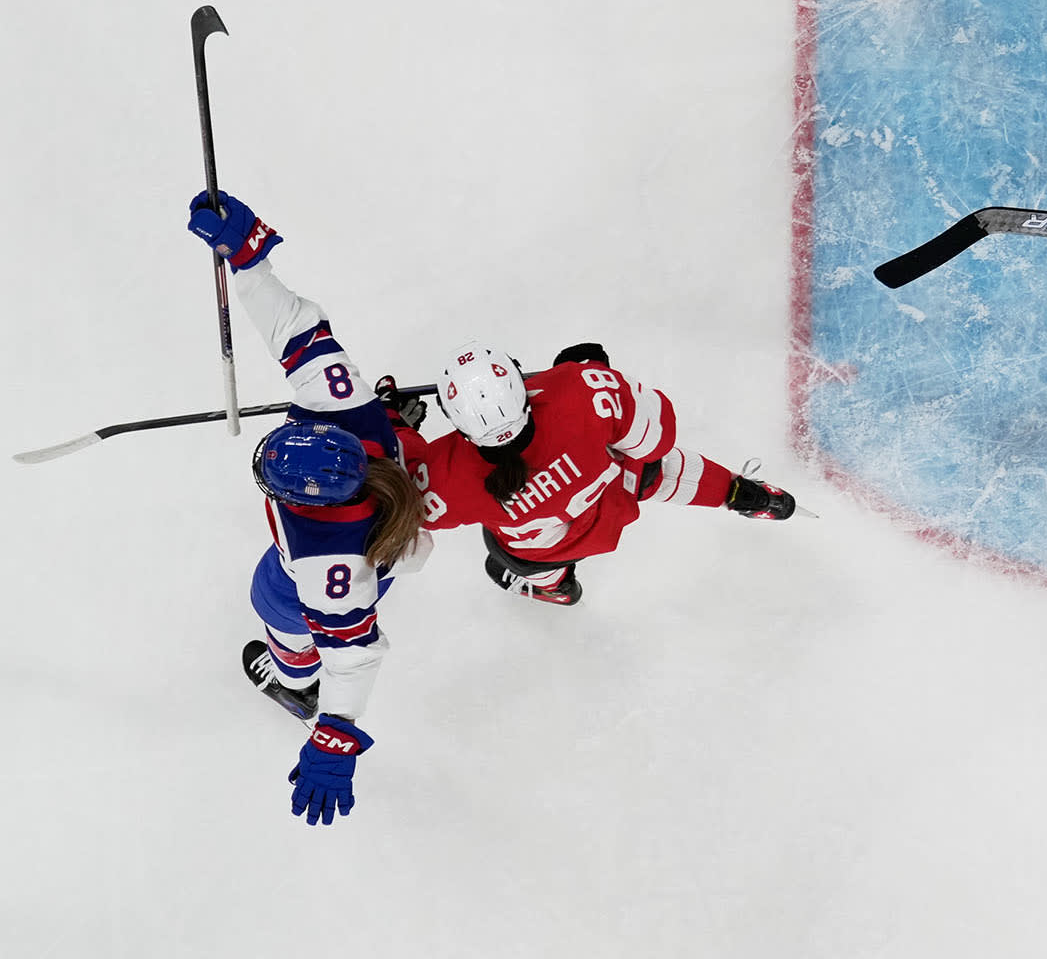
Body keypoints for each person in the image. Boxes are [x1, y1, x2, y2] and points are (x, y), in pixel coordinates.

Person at [186, 190, 433, 826]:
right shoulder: (343, 407)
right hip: (391, 518)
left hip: (311, 586)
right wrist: (248, 258)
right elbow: (296, 326)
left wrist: (337, 735)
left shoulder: (326, 563)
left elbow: (354, 653)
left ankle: (292, 678)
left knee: (282, 613)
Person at [409, 340, 800, 605]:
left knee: (520, 556)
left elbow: (401, 507)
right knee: (655, 468)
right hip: (612, 499)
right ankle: (745, 495)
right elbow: (656, 438)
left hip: (546, 547)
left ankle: (556, 590)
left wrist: (396, 425)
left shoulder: (443, 475)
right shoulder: (579, 391)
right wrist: (588, 370)